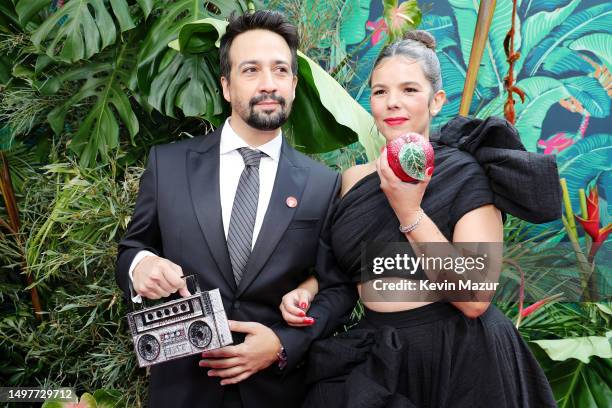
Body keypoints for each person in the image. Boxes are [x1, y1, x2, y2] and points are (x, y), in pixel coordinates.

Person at [280, 31, 561, 407]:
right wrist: (308, 290)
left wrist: (409, 211)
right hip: (381, 348)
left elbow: (475, 297)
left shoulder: (465, 172)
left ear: (436, 101)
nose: (392, 103)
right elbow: (349, 267)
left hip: (459, 356)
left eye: (409, 89)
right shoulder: (353, 180)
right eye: (380, 92)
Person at [116, 10, 356, 408]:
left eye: (280, 70)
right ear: (226, 86)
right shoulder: (168, 165)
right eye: (251, 70)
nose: (268, 84)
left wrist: (283, 342)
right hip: (182, 390)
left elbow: (338, 287)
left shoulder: (322, 184)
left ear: (294, 85)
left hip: (277, 392)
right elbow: (131, 249)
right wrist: (140, 266)